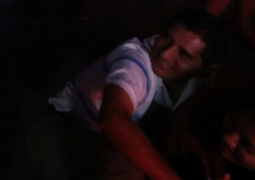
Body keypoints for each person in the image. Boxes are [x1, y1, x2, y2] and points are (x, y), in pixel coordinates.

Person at [29, 10, 225, 180]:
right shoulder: (134, 61)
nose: (166, 54)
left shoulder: (200, 83)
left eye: (183, 54)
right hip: (68, 126)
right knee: (125, 172)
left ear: (206, 70)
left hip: (107, 135)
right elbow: (113, 119)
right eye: (166, 37)